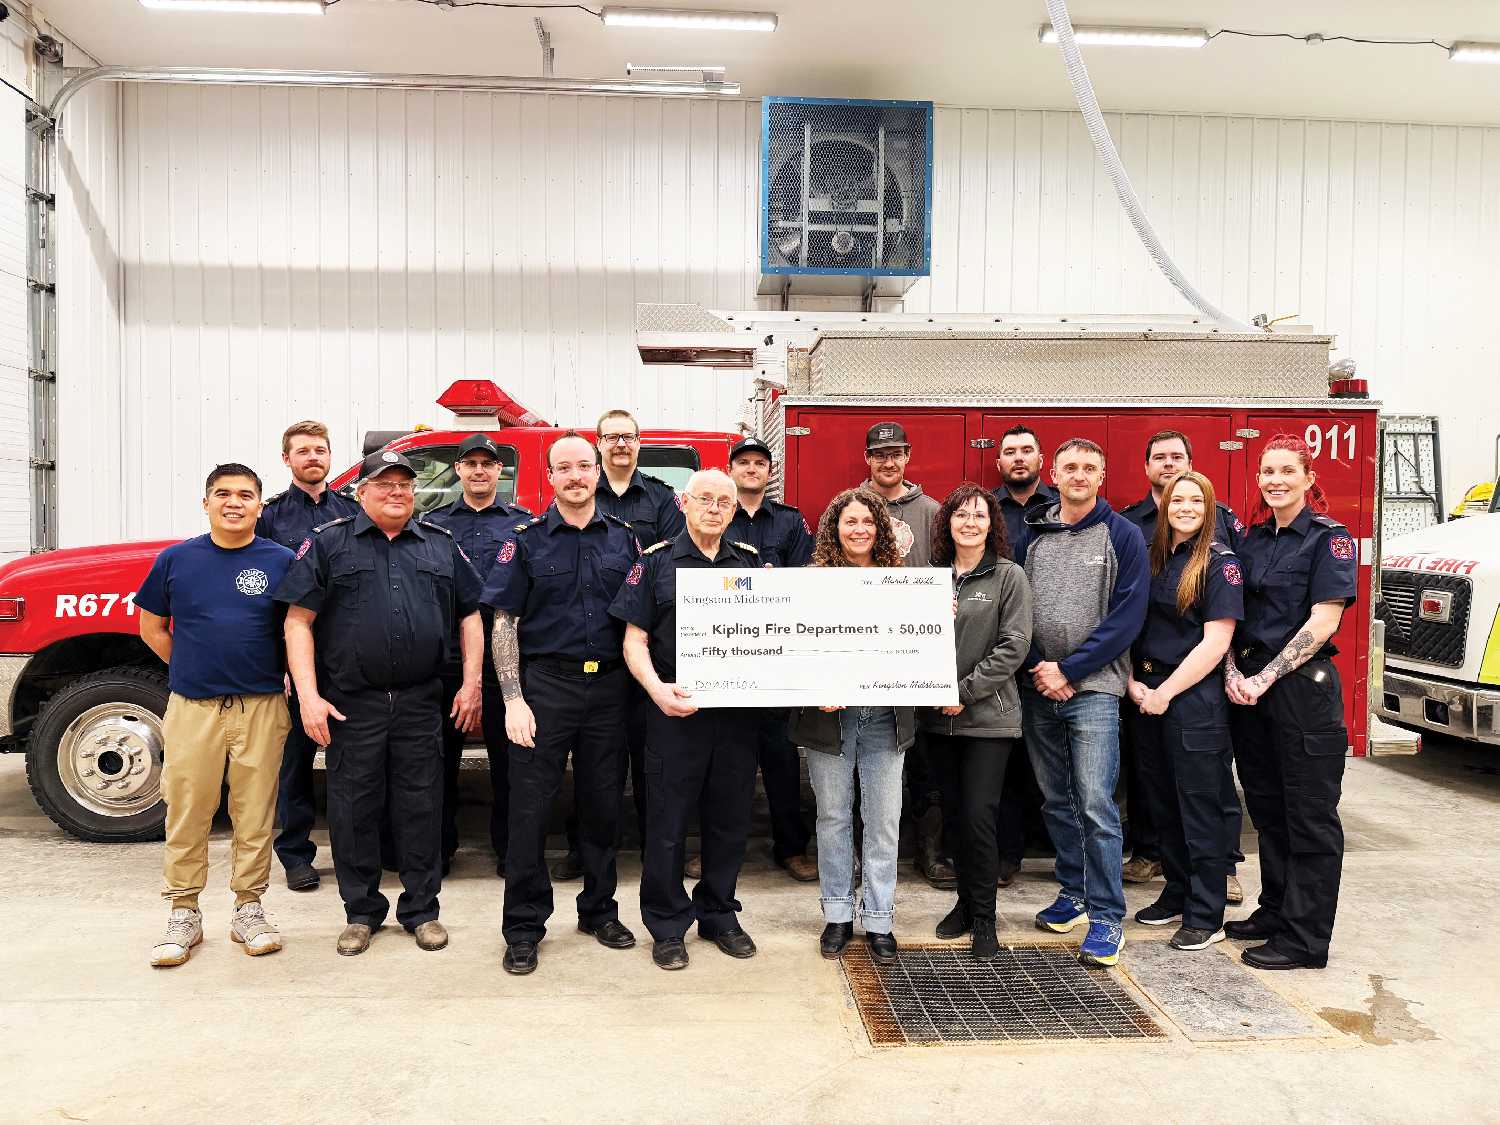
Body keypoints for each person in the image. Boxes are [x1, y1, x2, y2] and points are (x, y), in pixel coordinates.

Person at [274, 449, 484, 957]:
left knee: (422, 808)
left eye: (404, 485)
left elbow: (471, 617)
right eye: (384, 484)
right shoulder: (329, 545)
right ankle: (361, 912)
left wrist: (472, 683)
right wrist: (308, 697)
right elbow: (297, 621)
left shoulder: (439, 545)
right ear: (361, 492)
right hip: (352, 705)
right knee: (352, 811)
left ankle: (422, 910)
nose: (396, 492)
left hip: (421, 703)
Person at [481, 432, 641, 976]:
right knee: (529, 811)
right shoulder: (525, 541)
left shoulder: (625, 540)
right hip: (545, 688)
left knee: (602, 807)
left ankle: (599, 911)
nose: (575, 476)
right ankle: (524, 926)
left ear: (598, 472)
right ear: (549, 477)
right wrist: (512, 699)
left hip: (611, 691)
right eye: (563, 468)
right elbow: (506, 622)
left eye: (584, 466)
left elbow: (643, 619)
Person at [138, 464, 295, 967]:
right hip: (193, 707)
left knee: (255, 812)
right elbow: (153, 629)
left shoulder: (282, 561)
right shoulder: (176, 560)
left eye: (246, 495)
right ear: (205, 503)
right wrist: (192, 669)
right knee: (188, 809)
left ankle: (250, 908)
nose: (234, 502)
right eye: (222, 494)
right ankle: (184, 912)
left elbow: (297, 631)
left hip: (262, 707)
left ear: (259, 505)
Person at [609, 469, 762, 971]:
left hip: (736, 716)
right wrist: (657, 692)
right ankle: (667, 924)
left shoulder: (753, 566)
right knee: (668, 824)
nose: (715, 508)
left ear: (735, 509)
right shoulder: (654, 563)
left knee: (730, 820)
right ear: (684, 503)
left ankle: (719, 914)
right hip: (674, 711)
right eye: (705, 499)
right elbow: (634, 641)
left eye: (724, 500)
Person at [1225, 436, 1356, 971]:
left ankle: (1305, 940)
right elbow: (1232, 612)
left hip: (1302, 691)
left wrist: (1266, 677)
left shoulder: (1330, 540)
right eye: (1267, 472)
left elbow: (1325, 619)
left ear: (1308, 477)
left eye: (1286, 471)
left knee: (1309, 816)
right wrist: (1236, 673)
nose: (1275, 480)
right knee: (1270, 811)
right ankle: (1275, 910)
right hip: (1251, 691)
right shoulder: (1253, 540)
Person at [1017, 437, 1148, 968]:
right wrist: (1042, 670)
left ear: (1102, 475)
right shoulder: (1036, 534)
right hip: (1038, 686)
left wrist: (1069, 671)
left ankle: (1107, 918)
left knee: (1096, 805)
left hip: (1094, 691)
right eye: (1069, 466)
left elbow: (1127, 616)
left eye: (1089, 467)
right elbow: (1017, 607)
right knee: (1055, 798)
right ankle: (1073, 892)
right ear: (1054, 472)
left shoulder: (1124, 536)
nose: (1078, 474)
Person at [551, 408, 688, 881]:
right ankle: (580, 849)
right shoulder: (584, 490)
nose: (620, 445)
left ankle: (656, 847)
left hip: (645, 644)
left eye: (628, 437)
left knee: (652, 755)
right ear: (598, 445)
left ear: (638, 442)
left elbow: (676, 557)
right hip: (599, 649)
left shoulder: (661, 498)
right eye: (611, 438)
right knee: (591, 763)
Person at [1118, 430, 1247, 899]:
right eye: (1177, 501)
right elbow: (1133, 621)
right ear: (1164, 507)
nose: (1185, 507)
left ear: (1208, 507)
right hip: (1147, 697)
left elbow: (1216, 642)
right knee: (1162, 802)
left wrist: (1165, 692)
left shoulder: (1220, 561)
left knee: (1200, 805)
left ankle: (1205, 910)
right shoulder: (1157, 558)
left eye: (1196, 500)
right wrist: (1134, 684)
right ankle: (1175, 893)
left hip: (1190, 698)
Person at [789, 488, 914, 965]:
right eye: (849, 522)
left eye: (868, 521)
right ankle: (838, 915)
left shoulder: (902, 582)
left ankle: (879, 919)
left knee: (882, 822)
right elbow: (793, 645)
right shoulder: (811, 582)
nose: (859, 529)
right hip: (830, 719)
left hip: (886, 717)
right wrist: (811, 689)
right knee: (833, 818)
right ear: (833, 529)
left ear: (881, 528)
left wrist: (937, 620)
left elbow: (918, 644)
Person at [923, 484, 1033, 962]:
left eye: (979, 516)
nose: (970, 523)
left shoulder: (1009, 576)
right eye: (961, 515)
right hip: (936, 722)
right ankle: (964, 905)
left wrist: (962, 692)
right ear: (947, 523)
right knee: (952, 816)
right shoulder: (928, 578)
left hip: (988, 719)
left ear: (992, 525)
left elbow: (1014, 645)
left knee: (979, 816)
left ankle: (986, 918)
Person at [256, 421, 359, 893]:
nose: (313, 457)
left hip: (344, 653)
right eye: (303, 451)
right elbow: (261, 596)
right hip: (294, 654)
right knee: (295, 761)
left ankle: (358, 851)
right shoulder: (270, 518)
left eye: (320, 450)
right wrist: (276, 664)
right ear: (287, 460)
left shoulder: (352, 510)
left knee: (353, 761)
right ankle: (296, 854)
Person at [424, 434, 532, 878]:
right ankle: (439, 851)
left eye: (488, 464)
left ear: (500, 471)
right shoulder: (433, 523)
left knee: (511, 764)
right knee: (438, 761)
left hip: (507, 662)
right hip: (449, 658)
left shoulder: (523, 523)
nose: (480, 471)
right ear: (459, 471)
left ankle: (510, 852)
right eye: (470, 464)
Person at [718, 435, 816, 884]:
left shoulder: (791, 523)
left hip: (778, 659)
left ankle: (791, 848)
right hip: (730, 655)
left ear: (770, 472)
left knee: (781, 760)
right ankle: (722, 850)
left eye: (760, 462)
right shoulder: (716, 515)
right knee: (728, 763)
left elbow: (805, 583)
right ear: (731, 469)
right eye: (744, 462)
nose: (752, 469)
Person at [862, 420, 952, 890]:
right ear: (867, 460)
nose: (888, 462)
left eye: (895, 454)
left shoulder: (933, 511)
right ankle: (869, 852)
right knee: (867, 755)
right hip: (865, 651)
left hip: (917, 651)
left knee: (922, 756)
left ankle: (929, 851)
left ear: (908, 457)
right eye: (879, 455)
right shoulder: (852, 506)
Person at [989, 423, 1055, 886]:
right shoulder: (985, 510)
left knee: (1054, 764)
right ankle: (1006, 857)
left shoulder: (1059, 509)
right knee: (1008, 764)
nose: (1018, 458)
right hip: (998, 654)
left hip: (1051, 659)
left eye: (1026, 450)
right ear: (998, 463)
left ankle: (1063, 856)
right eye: (1009, 452)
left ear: (1040, 459)